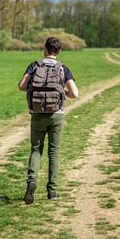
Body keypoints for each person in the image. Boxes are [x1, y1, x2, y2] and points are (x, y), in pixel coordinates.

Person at [18, 37, 78, 203]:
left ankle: (32, 181)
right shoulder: (63, 68)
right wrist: (60, 89)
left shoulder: (34, 65)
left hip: (37, 113)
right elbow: (74, 93)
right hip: (57, 114)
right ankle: (52, 191)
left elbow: (22, 86)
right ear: (59, 51)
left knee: (36, 149)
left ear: (44, 49)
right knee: (54, 151)